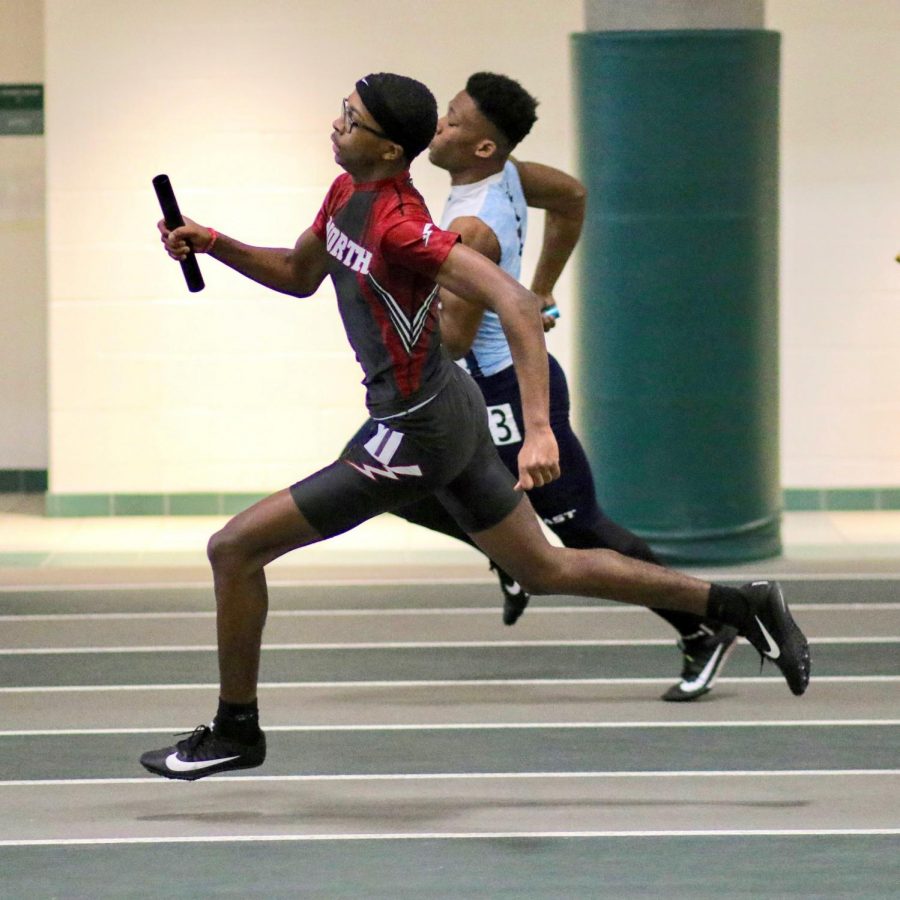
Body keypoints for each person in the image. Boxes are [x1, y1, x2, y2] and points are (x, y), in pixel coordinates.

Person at [140, 73, 810, 782]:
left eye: (352, 119)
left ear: (389, 146)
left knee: (234, 549)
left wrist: (540, 429)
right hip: (446, 407)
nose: (336, 124)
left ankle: (235, 730)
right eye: (343, 110)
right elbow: (299, 272)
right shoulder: (345, 196)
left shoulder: (402, 225)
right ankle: (738, 603)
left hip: (416, 429)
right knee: (544, 567)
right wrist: (212, 242)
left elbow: (517, 305)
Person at [389, 72, 739, 702]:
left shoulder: (473, 226)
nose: (438, 127)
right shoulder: (509, 177)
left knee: (579, 527)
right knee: (388, 482)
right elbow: (573, 196)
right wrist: (540, 288)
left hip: (506, 392)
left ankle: (703, 626)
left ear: (482, 148)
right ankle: (508, 554)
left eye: (453, 121)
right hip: (486, 388)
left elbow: (454, 341)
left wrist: (387, 308)